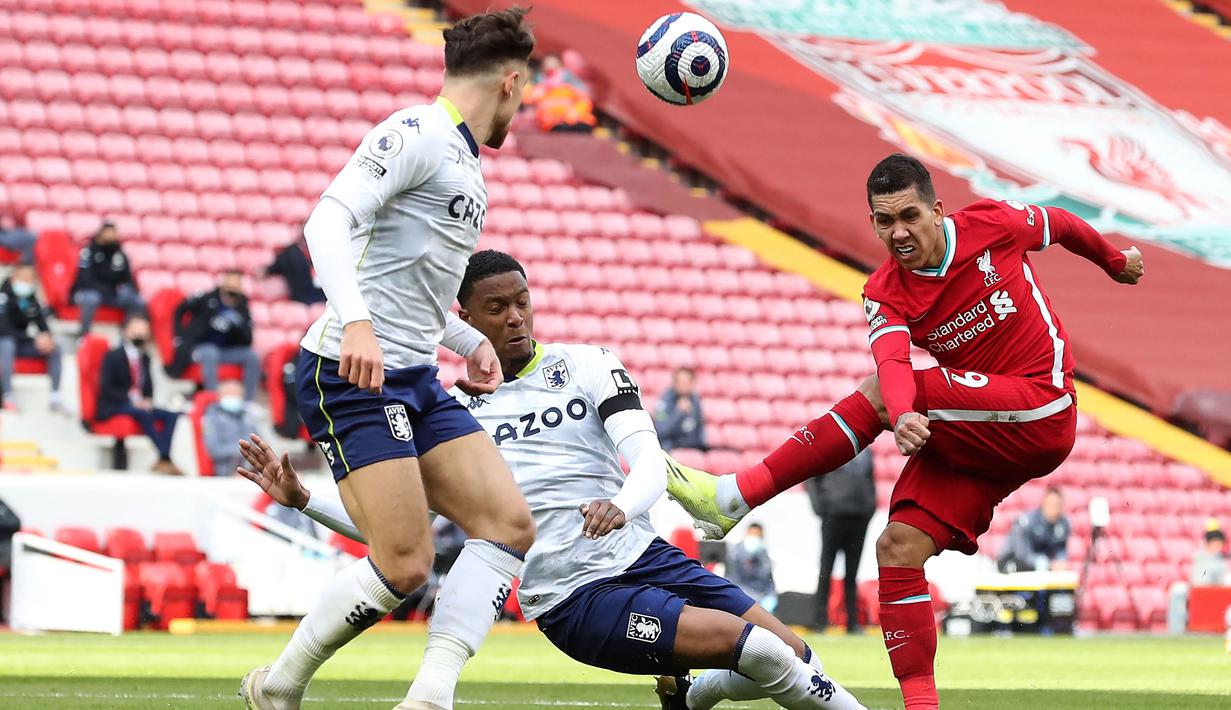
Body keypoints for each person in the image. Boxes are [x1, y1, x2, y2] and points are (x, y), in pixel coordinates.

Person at [239, 250, 864, 710]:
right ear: (464, 319)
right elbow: (400, 524)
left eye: (521, 302)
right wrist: (304, 500)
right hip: (573, 598)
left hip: (645, 556)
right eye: (496, 308)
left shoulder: (587, 365)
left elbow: (647, 458)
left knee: (796, 656)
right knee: (753, 648)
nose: (515, 318)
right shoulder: (454, 420)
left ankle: (691, 696)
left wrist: (621, 506)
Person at [664, 153, 1144, 710]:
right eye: (883, 221)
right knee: (896, 547)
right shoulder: (883, 290)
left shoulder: (992, 224)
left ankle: (736, 494)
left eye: (910, 216)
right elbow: (892, 360)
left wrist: (1113, 260)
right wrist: (906, 410)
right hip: (978, 435)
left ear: (937, 210)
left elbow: (1058, 223)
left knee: (877, 396)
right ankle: (921, 705)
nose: (899, 232)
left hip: (1043, 405)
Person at [239, 10, 538, 710]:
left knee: (507, 526)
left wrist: (470, 343)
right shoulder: (416, 133)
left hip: (411, 375)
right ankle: (279, 687)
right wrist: (358, 324)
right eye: (523, 94)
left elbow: (413, 282)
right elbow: (325, 222)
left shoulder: (464, 159)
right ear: (511, 80)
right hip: (351, 371)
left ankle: (429, 696)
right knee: (404, 564)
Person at [98, 316, 182, 475]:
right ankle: (166, 459)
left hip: (138, 404)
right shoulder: (113, 356)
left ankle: (163, 459)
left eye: (143, 333)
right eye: (136, 332)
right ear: (126, 332)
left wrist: (147, 400)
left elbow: (147, 386)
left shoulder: (145, 358)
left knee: (172, 415)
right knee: (143, 413)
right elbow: (107, 388)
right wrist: (132, 401)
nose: (139, 336)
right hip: (116, 404)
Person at [805, 449, 875, 632]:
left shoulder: (867, 452)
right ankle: (819, 621)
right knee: (826, 569)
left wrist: (870, 507)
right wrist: (820, 508)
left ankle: (852, 622)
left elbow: (870, 479)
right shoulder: (833, 446)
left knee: (852, 573)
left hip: (859, 517)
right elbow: (812, 478)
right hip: (834, 515)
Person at [168, 270, 260, 400]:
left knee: (252, 356)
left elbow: (247, 339)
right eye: (230, 283)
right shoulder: (207, 298)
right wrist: (179, 336)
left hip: (226, 351)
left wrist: (239, 326)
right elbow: (180, 309)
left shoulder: (242, 307)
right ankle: (213, 400)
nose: (232, 288)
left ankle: (248, 403)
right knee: (211, 352)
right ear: (223, 284)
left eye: (236, 285)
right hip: (200, 347)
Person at [0, 264, 66, 414]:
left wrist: (46, 337)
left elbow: (41, 322)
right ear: (14, 278)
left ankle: (55, 398)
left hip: (23, 344)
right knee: (6, 344)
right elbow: (3, 329)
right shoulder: (3, 297)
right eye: (23, 278)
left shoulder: (30, 298)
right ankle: (7, 395)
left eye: (30, 279)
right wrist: (34, 338)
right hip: (5, 342)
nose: (26, 282)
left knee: (55, 348)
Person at [71, 220, 145, 336]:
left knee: (137, 301)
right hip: (89, 291)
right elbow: (84, 279)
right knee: (91, 299)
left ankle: (127, 336)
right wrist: (105, 290)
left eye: (113, 233)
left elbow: (127, 278)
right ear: (101, 234)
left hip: (111, 294)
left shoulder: (119, 254)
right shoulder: (88, 251)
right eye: (108, 233)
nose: (111, 237)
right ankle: (83, 335)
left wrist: (127, 289)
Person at [997, 487, 1071, 573]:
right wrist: (1049, 565)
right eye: (1052, 504)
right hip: (1013, 563)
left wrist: (1061, 563)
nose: (1055, 509)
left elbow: (1061, 550)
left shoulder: (1063, 524)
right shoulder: (1026, 522)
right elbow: (1023, 555)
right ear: (1044, 503)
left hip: (1041, 566)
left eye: (1059, 505)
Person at [201, 379, 263, 475]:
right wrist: (242, 450)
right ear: (219, 396)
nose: (233, 397)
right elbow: (213, 450)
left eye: (236, 394)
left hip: (251, 468)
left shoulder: (248, 417)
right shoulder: (211, 419)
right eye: (229, 394)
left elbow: (260, 443)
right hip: (225, 469)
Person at [725, 523, 778, 613]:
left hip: (760, 600)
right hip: (739, 600)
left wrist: (771, 597)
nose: (753, 538)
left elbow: (769, 582)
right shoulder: (735, 554)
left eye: (756, 535)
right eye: (751, 534)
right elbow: (731, 578)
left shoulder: (764, 555)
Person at [654, 367, 707, 451]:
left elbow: (700, 427)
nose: (682, 386)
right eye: (680, 382)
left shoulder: (695, 400)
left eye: (686, 382)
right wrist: (678, 413)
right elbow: (660, 430)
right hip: (670, 446)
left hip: (691, 446)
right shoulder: (665, 401)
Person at [266, 235, 325, 305]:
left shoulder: (323, 252)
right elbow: (276, 267)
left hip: (322, 296)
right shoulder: (290, 253)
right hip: (303, 298)